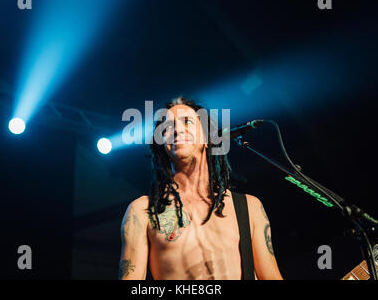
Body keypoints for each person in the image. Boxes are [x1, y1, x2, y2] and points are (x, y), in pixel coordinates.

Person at [119, 97, 283, 280]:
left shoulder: (249, 207)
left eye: (187, 122)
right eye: (167, 127)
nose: (177, 130)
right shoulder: (143, 212)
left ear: (207, 138)